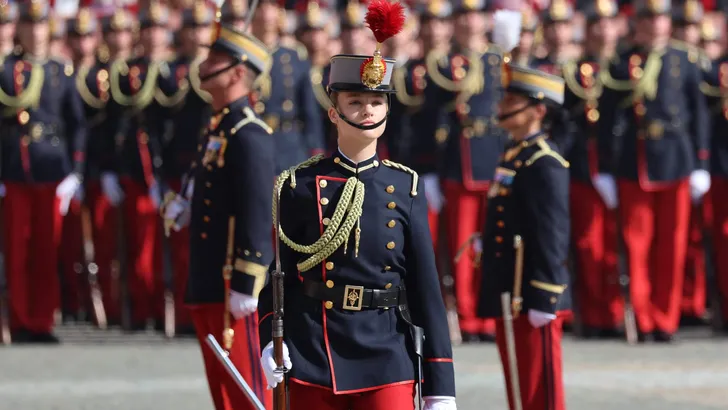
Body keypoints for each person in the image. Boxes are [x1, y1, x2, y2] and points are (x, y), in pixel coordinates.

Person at [257, 2, 456, 409]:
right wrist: (267, 342)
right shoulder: (298, 184)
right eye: (354, 102)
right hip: (315, 351)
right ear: (334, 112)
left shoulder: (405, 187)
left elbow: (425, 293)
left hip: (387, 353)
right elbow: (279, 279)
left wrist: (440, 386)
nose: (367, 110)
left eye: (376, 103)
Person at [162, 20, 275, 410]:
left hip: (232, 284)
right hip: (209, 278)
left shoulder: (249, 133)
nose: (204, 65)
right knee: (223, 392)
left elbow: (258, 210)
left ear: (238, 73)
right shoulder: (220, 127)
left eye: (216, 59)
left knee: (248, 392)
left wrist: (248, 281)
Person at [596, 0, 710, 342]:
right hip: (637, 162)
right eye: (649, 18)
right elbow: (608, 116)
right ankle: (644, 317)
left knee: (672, 245)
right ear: (638, 23)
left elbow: (698, 114)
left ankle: (666, 318)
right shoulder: (622, 62)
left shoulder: (685, 61)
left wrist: (701, 164)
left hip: (676, 158)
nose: (655, 25)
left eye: (660, 18)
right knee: (637, 244)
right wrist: (604, 168)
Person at [476, 63, 571, 410]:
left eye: (513, 101)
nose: (502, 108)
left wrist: (546, 295)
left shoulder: (544, 162)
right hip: (511, 286)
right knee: (519, 381)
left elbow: (552, 233)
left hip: (532, 290)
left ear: (538, 110)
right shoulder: (516, 154)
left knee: (539, 389)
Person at [1, 0, 87, 343]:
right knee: (18, 248)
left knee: (46, 250)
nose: (35, 32)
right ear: (19, 29)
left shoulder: (59, 71)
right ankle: (21, 318)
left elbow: (76, 124)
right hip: (16, 170)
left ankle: (42, 320)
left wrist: (75, 171)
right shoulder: (8, 69)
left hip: (52, 169)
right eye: (28, 25)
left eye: (40, 25)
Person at [561, 0, 622, 338]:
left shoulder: (629, 65)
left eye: (609, 22)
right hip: (585, 169)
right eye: (597, 23)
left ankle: (616, 311)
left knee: (619, 245)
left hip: (623, 168)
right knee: (588, 245)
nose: (603, 30)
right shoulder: (575, 70)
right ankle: (595, 313)